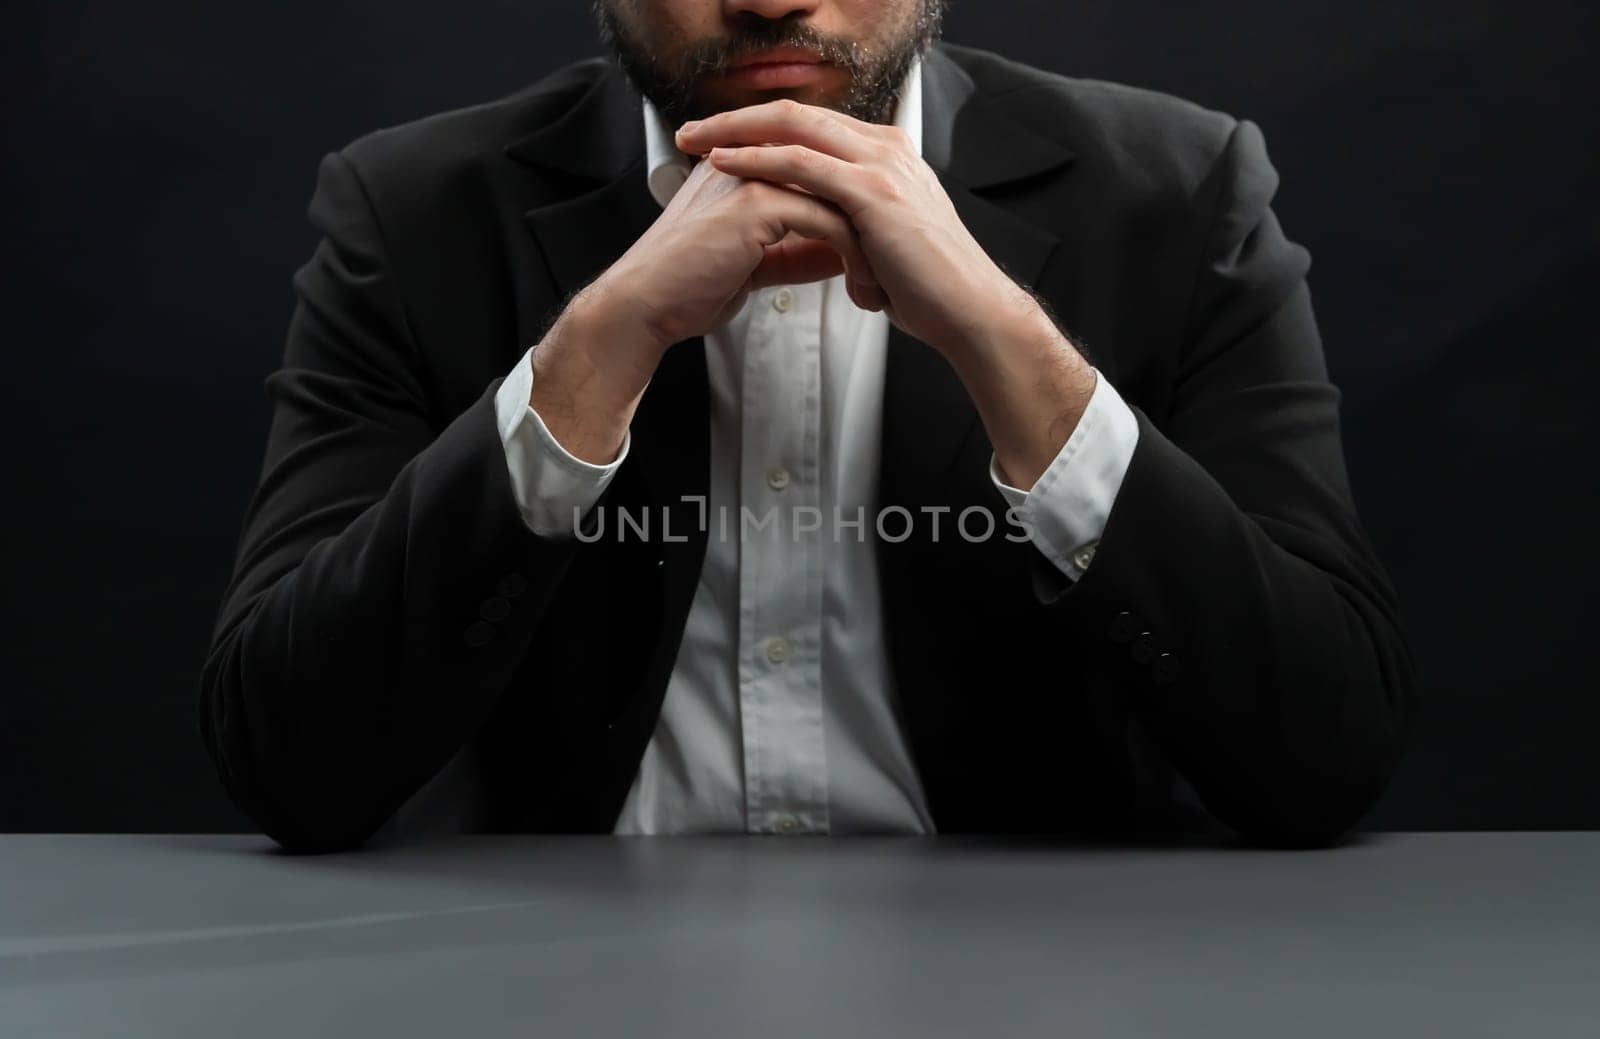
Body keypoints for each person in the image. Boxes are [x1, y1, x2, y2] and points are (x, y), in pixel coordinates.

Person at [199, 0, 1416, 853]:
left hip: (1046, 986)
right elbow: (290, 764)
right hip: (549, 984)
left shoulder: (1179, 187)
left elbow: (1320, 753)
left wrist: (1009, 343)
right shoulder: (412, 212)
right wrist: (590, 352)